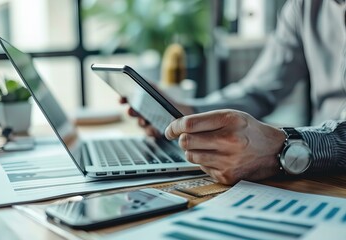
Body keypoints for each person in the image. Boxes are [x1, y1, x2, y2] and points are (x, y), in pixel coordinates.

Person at [126, 0, 346, 184]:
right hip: (317, 182)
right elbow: (259, 90)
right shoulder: (305, 6)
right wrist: (188, 112)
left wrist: (285, 147)